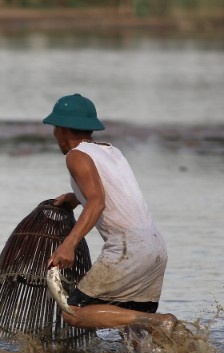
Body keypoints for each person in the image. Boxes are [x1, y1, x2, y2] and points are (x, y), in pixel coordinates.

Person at [42, 93, 177, 335]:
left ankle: (161, 321)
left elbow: (97, 202)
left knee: (74, 312)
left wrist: (68, 245)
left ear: (60, 129)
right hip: (155, 248)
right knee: (138, 339)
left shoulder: (76, 156)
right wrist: (75, 197)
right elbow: (115, 192)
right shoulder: (111, 151)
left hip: (128, 249)